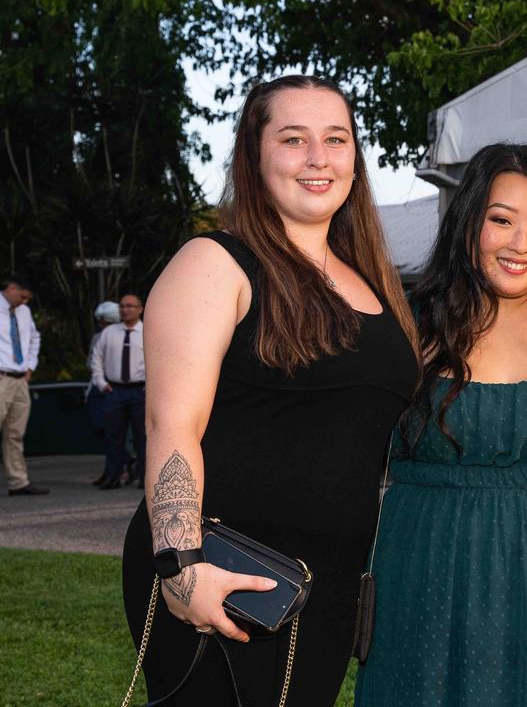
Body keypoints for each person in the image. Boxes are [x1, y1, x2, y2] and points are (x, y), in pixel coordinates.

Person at [120, 75, 419, 705]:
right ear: (254, 158)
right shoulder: (214, 261)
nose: (318, 158)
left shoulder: (373, 281)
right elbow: (172, 423)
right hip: (223, 573)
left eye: (336, 140)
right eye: (293, 139)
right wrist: (179, 569)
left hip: (327, 586)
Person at [354, 143, 527, 706]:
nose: (522, 244)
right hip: (427, 575)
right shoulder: (406, 328)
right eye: (502, 220)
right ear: (468, 220)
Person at [90, 293, 147, 490]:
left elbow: (158, 360)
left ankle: (144, 478)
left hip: (140, 391)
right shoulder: (109, 332)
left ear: (140, 309)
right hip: (115, 391)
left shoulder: (148, 331)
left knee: (143, 438)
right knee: (113, 437)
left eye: (130, 306)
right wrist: (101, 383)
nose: (125, 309)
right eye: (122, 306)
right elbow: (96, 358)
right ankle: (113, 477)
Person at [1, 274, 46, 497]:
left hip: (19, 379)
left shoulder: (24, 311)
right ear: (11, 288)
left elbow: (34, 337)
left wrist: (30, 365)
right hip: (1, 377)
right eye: (22, 296)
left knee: (15, 433)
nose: (24, 301)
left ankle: (18, 481)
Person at [88, 300, 120, 486]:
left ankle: (114, 470)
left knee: (113, 432)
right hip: (98, 386)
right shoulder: (98, 337)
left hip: (117, 387)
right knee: (100, 427)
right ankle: (120, 464)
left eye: (106, 321)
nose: (102, 325)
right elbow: (92, 361)